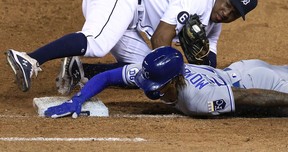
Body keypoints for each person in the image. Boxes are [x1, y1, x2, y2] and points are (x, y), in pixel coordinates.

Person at [5, 0, 258, 93]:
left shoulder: (214, 25)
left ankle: (80, 70)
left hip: (128, 16)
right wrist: (177, 74)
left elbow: (208, 62)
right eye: (228, 5)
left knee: (147, 72)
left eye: (235, 13)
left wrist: (205, 72)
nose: (227, 13)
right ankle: (29, 59)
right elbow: (161, 38)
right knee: (97, 43)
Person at [44, 46, 288, 118]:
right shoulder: (150, 69)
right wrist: (79, 99)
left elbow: (248, 97)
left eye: (159, 87)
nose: (152, 90)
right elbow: (107, 76)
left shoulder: (197, 101)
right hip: (240, 69)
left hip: (261, 82)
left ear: (176, 80)